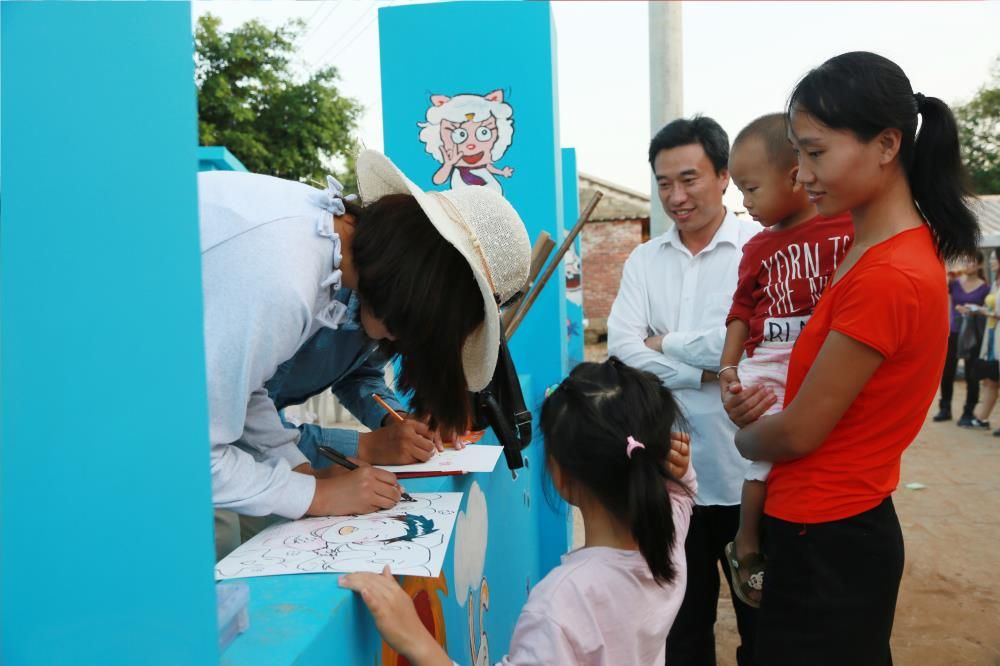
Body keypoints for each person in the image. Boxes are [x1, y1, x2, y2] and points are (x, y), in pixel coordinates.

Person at [724, 51, 979, 665]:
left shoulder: (886, 272)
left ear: (887, 144)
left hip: (827, 535)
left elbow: (802, 430)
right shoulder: (872, 249)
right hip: (830, 525)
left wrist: (744, 434)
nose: (803, 173)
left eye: (815, 153)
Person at [202, 150, 531, 558]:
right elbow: (195, 454)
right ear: (424, 287)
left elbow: (246, 393)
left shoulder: (325, 249)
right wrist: (316, 494)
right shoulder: (286, 280)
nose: (412, 343)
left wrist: (303, 475)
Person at [340, 358, 696, 666]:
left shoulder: (564, 602)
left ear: (562, 475)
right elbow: (684, 493)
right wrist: (677, 468)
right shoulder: (666, 541)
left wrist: (413, 636)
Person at [607, 115, 762, 665]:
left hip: (753, 480)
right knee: (681, 633)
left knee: (765, 630)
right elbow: (624, 350)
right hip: (671, 481)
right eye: (664, 182)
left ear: (724, 176)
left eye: (689, 179)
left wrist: (666, 343)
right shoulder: (645, 261)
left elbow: (755, 348)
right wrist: (710, 370)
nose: (676, 196)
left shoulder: (760, 248)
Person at [718, 113, 853, 607]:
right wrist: (729, 372)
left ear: (795, 176)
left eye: (751, 189)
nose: (745, 203)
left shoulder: (850, 227)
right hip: (770, 360)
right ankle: (748, 541)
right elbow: (739, 313)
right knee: (765, 451)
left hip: (829, 357)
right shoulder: (757, 247)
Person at [935, 252, 988, 424]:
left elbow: (987, 311)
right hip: (954, 331)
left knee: (971, 373)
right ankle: (945, 408)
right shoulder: (954, 283)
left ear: (980, 265)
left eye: (972, 261)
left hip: (973, 334)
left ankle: (969, 410)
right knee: (947, 370)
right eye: (966, 261)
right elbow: (946, 303)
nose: (969, 264)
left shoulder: (985, 288)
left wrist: (972, 311)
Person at [963, 248, 1000, 431]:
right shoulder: (995, 284)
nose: (991, 262)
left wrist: (985, 312)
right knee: (991, 379)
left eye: (994, 259)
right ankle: (982, 418)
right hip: (992, 335)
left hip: (996, 333)